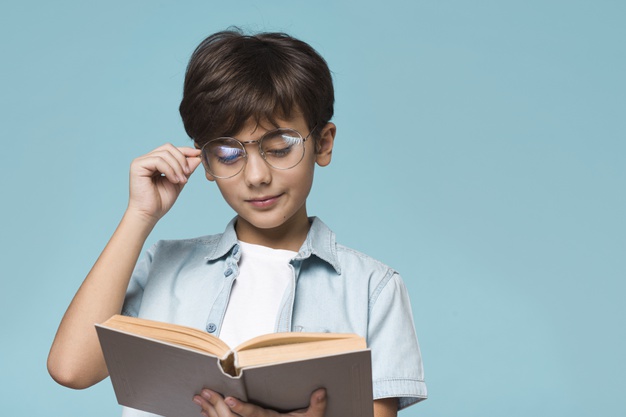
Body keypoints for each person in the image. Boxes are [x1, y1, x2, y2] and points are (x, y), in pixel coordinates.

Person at [47, 29, 427, 417]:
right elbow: (71, 369)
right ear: (206, 161)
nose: (257, 176)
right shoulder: (164, 265)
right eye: (228, 154)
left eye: (279, 148)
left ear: (323, 144)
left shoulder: (372, 289)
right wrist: (140, 216)